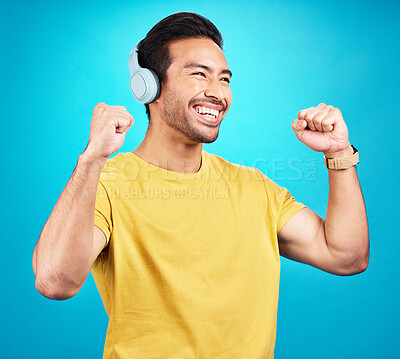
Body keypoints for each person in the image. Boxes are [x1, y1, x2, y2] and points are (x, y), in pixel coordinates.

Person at [32, 12, 369, 359]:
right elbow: (55, 281)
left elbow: (346, 256)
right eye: (199, 74)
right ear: (148, 85)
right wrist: (91, 160)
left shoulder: (255, 188)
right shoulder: (107, 184)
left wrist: (339, 153)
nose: (217, 92)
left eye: (224, 79)